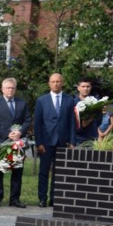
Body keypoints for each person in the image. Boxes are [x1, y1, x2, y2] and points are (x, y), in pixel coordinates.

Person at [34, 73, 75, 207]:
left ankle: (54, 198)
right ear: (49, 83)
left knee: (59, 172)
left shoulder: (69, 100)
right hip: (46, 142)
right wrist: (39, 142)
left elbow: (72, 123)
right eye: (53, 81)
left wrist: (72, 142)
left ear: (62, 83)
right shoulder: (42, 100)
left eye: (58, 81)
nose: (56, 84)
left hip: (63, 142)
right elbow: (38, 123)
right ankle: (42, 198)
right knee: (44, 171)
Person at [0, 77, 29, 208]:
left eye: (12, 88)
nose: (10, 90)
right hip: (1, 142)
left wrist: (20, 132)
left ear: (15, 89)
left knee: (17, 171)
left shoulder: (22, 103)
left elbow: (27, 120)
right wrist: (7, 133)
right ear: (2, 89)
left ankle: (15, 199)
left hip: (18, 143)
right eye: (7, 88)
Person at [73, 77, 98, 146]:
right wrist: (82, 125)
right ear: (78, 88)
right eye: (83, 86)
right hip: (77, 138)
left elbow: (99, 120)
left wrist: (90, 120)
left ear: (91, 87)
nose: (85, 89)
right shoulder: (72, 103)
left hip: (92, 138)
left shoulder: (96, 102)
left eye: (88, 86)